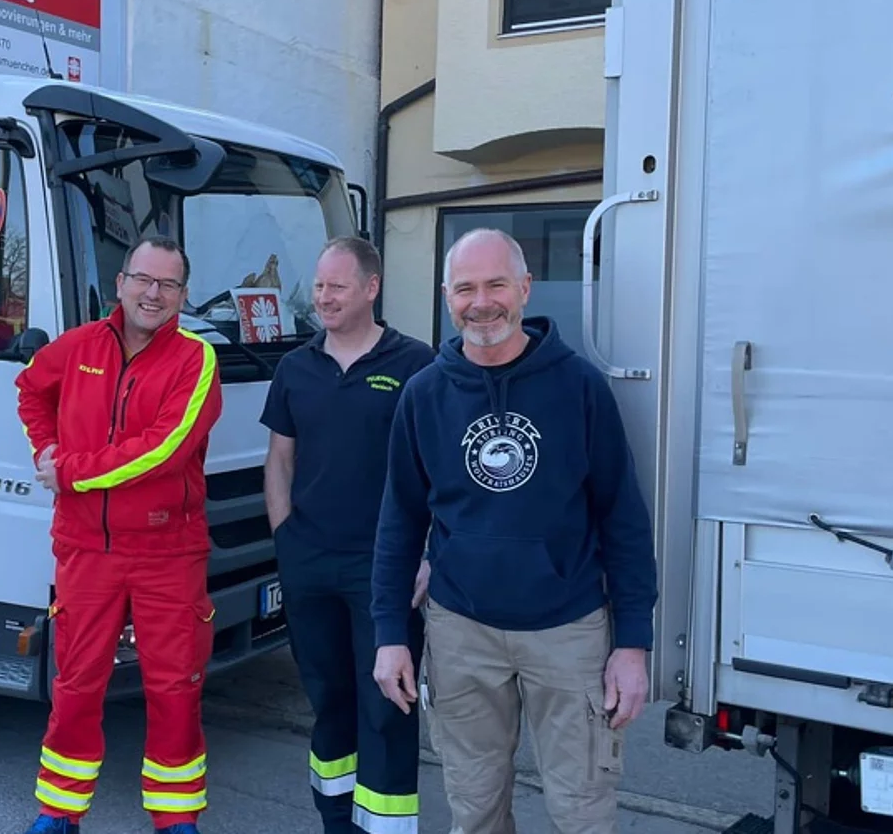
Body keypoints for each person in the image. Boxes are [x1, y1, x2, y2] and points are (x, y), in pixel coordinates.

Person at [369, 228, 659, 834]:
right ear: (447, 296)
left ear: (524, 289)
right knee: (474, 811)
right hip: (461, 632)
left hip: (570, 631)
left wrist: (632, 644)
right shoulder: (424, 395)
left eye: (496, 283)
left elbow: (623, 520)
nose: (482, 302)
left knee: (581, 812)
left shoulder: (579, 387)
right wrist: (390, 633)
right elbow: (400, 520)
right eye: (466, 288)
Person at [13, 236, 225, 834]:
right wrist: (45, 447)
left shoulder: (196, 360)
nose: (153, 294)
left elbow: (163, 450)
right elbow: (30, 389)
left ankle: (176, 819)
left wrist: (69, 473)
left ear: (183, 296)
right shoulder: (78, 346)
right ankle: (58, 812)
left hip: (167, 552)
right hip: (85, 550)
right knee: (76, 683)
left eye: (168, 285)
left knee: (175, 686)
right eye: (143, 280)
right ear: (121, 283)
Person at [259, 237, 435, 834]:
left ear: (371, 288)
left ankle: (383, 829)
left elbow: (439, 468)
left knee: (386, 705)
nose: (324, 297)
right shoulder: (295, 367)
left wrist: (429, 553)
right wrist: (285, 537)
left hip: (384, 570)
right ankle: (336, 820)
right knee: (328, 698)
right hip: (308, 563)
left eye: (337, 286)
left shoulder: (416, 364)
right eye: (319, 286)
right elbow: (280, 459)